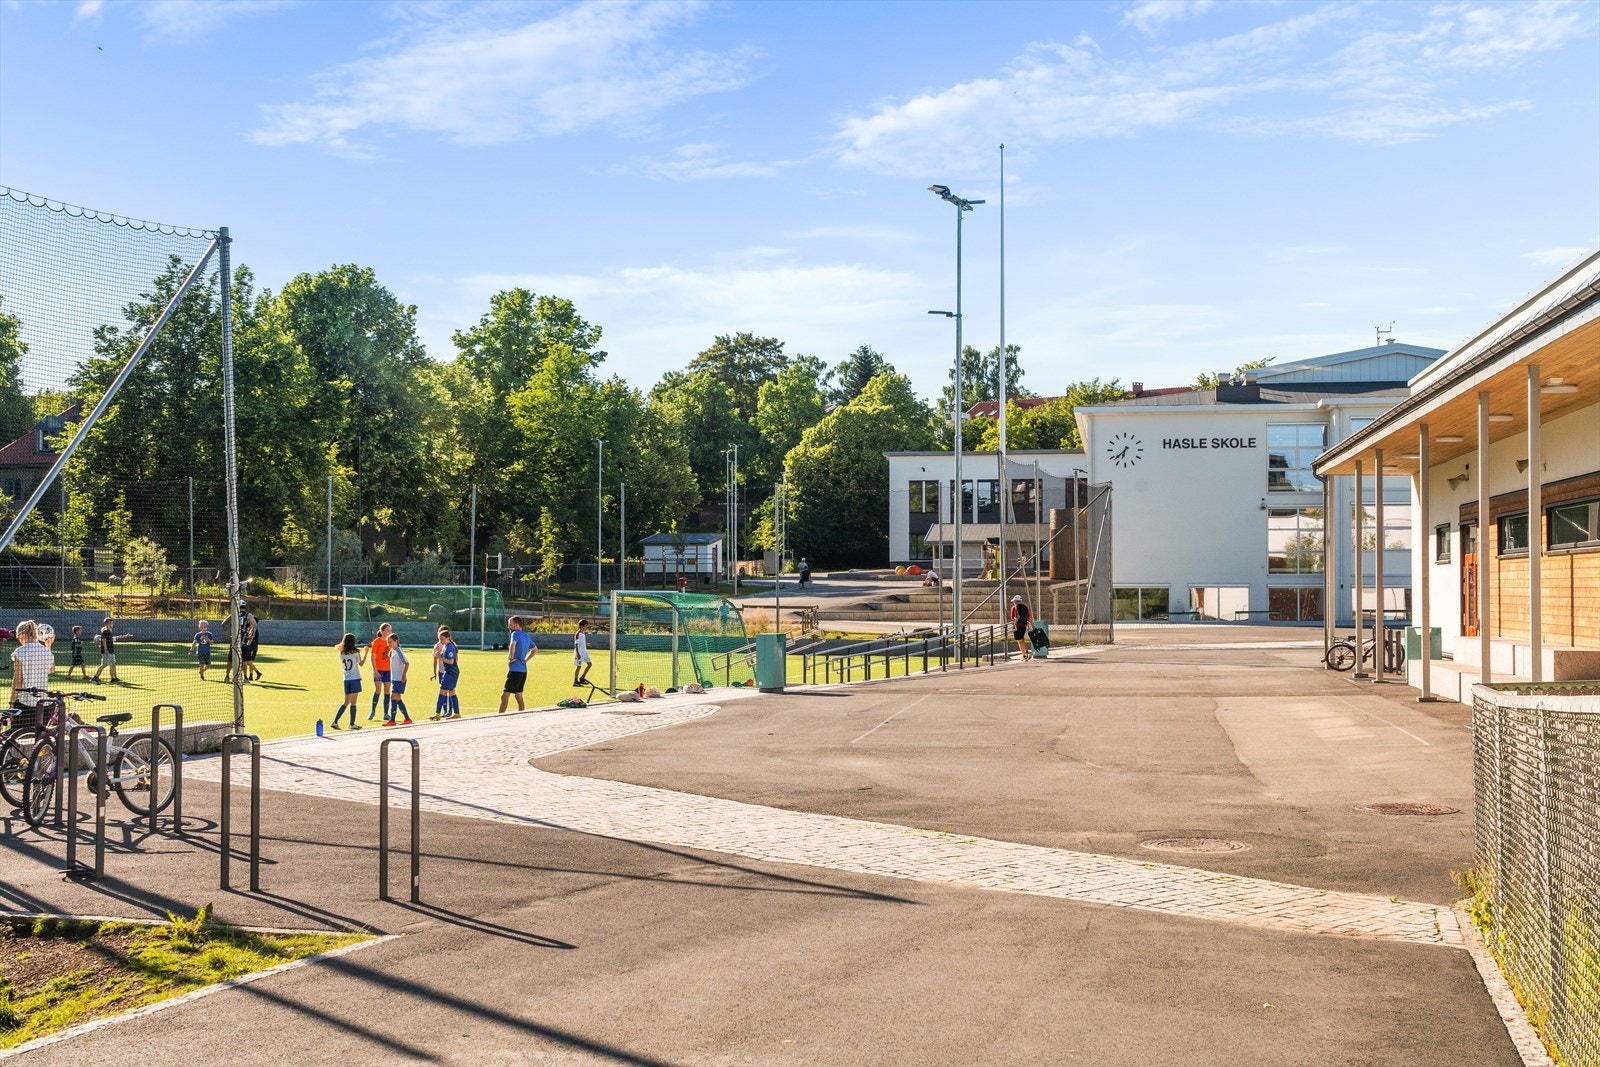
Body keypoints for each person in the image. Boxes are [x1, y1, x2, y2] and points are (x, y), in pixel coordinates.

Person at [10, 620, 55, 732]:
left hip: (25, 702)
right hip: (44, 703)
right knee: (40, 737)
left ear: (22, 634)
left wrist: (11, 703)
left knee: (20, 736)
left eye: (18, 635)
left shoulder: (20, 652)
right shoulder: (45, 651)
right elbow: (51, 670)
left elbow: (17, 680)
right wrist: (48, 647)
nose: (18, 638)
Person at [330, 633, 367, 730]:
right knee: (353, 703)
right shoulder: (355, 652)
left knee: (346, 702)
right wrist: (366, 652)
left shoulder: (342, 653)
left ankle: (335, 721)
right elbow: (361, 663)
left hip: (346, 679)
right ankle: (352, 723)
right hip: (354, 678)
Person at [499, 616, 534, 713]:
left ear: (516, 625)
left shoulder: (515, 634)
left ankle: (500, 716)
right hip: (523, 670)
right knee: (518, 695)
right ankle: (522, 714)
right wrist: (526, 660)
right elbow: (535, 649)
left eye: (510, 624)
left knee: (505, 695)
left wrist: (511, 657)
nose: (508, 627)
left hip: (515, 670)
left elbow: (513, 644)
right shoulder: (526, 635)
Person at [91, 617, 132, 685]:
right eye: (111, 623)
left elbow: (113, 638)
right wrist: (106, 650)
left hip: (110, 650)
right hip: (107, 651)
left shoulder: (109, 631)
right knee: (104, 664)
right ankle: (95, 677)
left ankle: (113, 679)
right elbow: (103, 640)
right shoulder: (106, 631)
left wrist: (125, 636)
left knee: (112, 664)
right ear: (108, 623)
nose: (112, 624)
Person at [431, 625, 460, 720]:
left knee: (442, 691)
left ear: (448, 638)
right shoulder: (446, 646)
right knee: (451, 692)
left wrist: (440, 657)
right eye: (439, 639)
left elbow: (451, 661)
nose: (440, 641)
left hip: (450, 672)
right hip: (450, 672)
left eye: (442, 639)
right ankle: (456, 713)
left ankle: (438, 713)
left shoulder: (450, 647)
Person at [367, 623, 394, 721]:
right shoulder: (376, 642)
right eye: (387, 630)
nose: (389, 632)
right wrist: (375, 670)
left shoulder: (390, 642)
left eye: (390, 630)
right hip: (379, 669)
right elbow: (373, 657)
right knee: (378, 690)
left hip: (388, 670)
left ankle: (386, 713)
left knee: (387, 691)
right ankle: (373, 711)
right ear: (382, 631)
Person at [385, 633, 413, 726]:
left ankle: (393, 720)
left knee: (393, 697)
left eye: (390, 642)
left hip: (399, 679)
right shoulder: (392, 651)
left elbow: (406, 663)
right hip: (394, 678)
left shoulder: (398, 651)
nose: (389, 644)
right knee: (397, 698)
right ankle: (407, 718)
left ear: (396, 641)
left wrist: (403, 676)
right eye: (388, 642)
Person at [1009, 595, 1034, 660]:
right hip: (1024, 625)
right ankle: (1024, 655)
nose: (1013, 602)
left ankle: (1027, 652)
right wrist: (1033, 626)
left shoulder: (1014, 608)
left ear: (1015, 601)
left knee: (1020, 640)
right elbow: (1029, 617)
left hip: (1017, 626)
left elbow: (1012, 618)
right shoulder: (1025, 607)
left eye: (1013, 601)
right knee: (1021, 640)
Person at [240, 610, 262, 682]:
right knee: (249, 662)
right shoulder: (251, 629)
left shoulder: (253, 629)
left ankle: (257, 672)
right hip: (252, 647)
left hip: (251, 647)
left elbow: (251, 638)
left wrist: (245, 639)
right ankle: (251, 675)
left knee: (248, 662)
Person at [572, 619, 593, 688]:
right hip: (579, 653)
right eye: (586, 626)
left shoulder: (583, 633)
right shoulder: (577, 634)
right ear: (582, 626)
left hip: (584, 653)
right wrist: (578, 654)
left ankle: (582, 678)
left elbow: (582, 642)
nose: (586, 627)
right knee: (579, 667)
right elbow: (576, 644)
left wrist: (587, 644)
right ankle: (575, 681)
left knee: (589, 664)